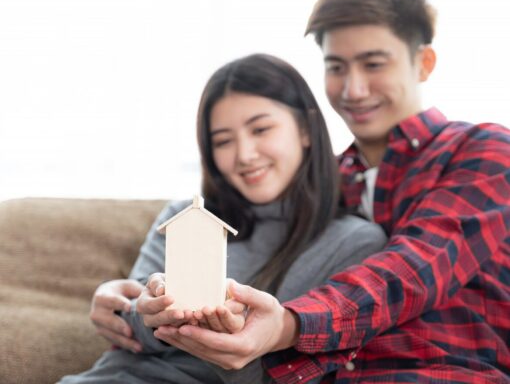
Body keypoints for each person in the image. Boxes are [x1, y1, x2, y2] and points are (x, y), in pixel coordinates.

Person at [153, 0, 510, 382]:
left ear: (423, 63)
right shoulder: (323, 186)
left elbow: (414, 270)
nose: (353, 89)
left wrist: (287, 324)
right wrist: (125, 297)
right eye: (336, 66)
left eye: (373, 64)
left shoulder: (483, 151)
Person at [58, 53, 386, 383]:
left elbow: (296, 369)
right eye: (224, 141)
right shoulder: (184, 217)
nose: (244, 154)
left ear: (305, 130)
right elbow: (130, 332)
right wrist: (148, 314)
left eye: (261, 129)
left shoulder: (355, 243)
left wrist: (232, 337)